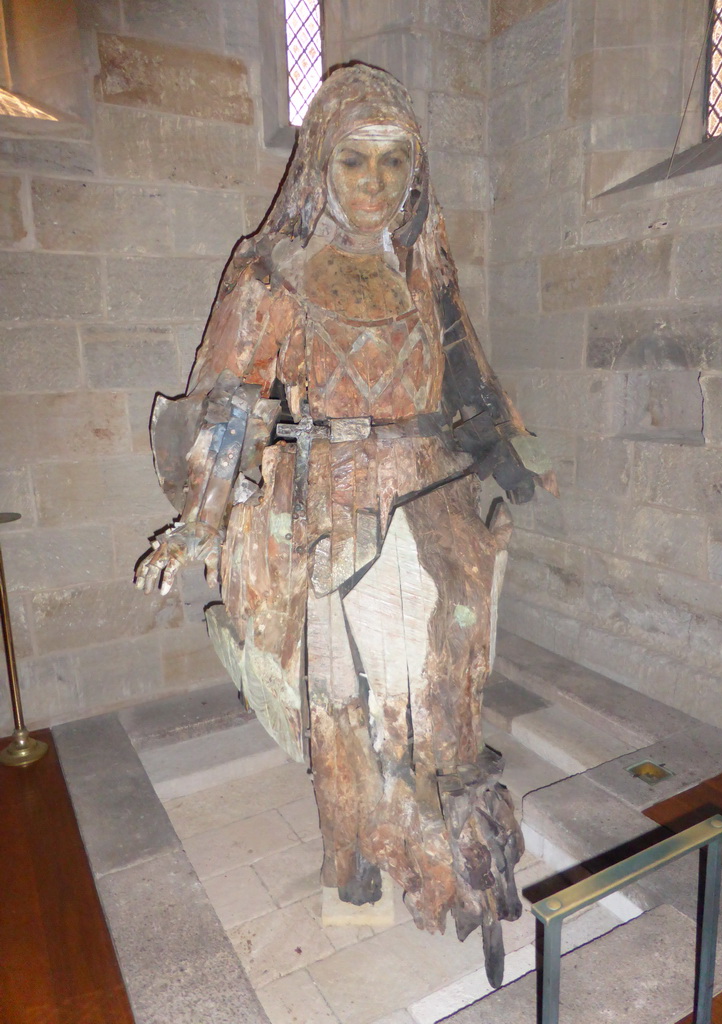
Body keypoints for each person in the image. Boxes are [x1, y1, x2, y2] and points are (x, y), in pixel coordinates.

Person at [135, 63, 554, 986]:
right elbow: (235, 403)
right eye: (356, 161)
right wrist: (198, 524)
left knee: (444, 683)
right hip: (332, 503)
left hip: (431, 501)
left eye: (397, 161)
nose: (377, 183)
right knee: (347, 699)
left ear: (417, 169)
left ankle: (445, 842)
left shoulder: (421, 263)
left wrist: (509, 461)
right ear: (320, 164)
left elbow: (467, 373)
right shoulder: (273, 269)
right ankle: (355, 856)